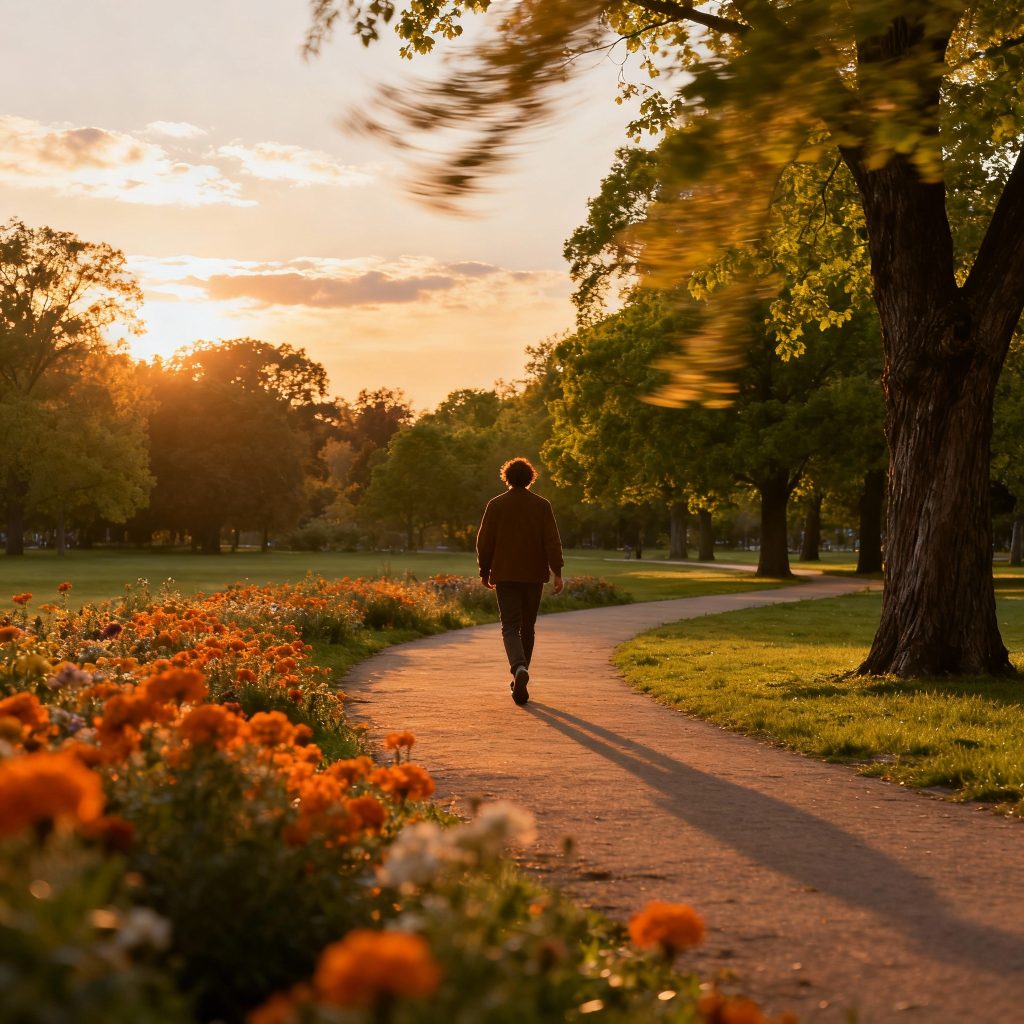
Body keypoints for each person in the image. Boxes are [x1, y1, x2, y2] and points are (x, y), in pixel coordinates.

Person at [476, 457, 564, 705]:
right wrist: (557, 571)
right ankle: (521, 671)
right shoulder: (542, 505)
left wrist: (484, 570)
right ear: (530, 478)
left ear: (506, 477)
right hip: (534, 575)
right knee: (528, 627)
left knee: (510, 627)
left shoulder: (496, 505)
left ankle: (518, 668)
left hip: (505, 574)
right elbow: (552, 541)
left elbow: (485, 541)